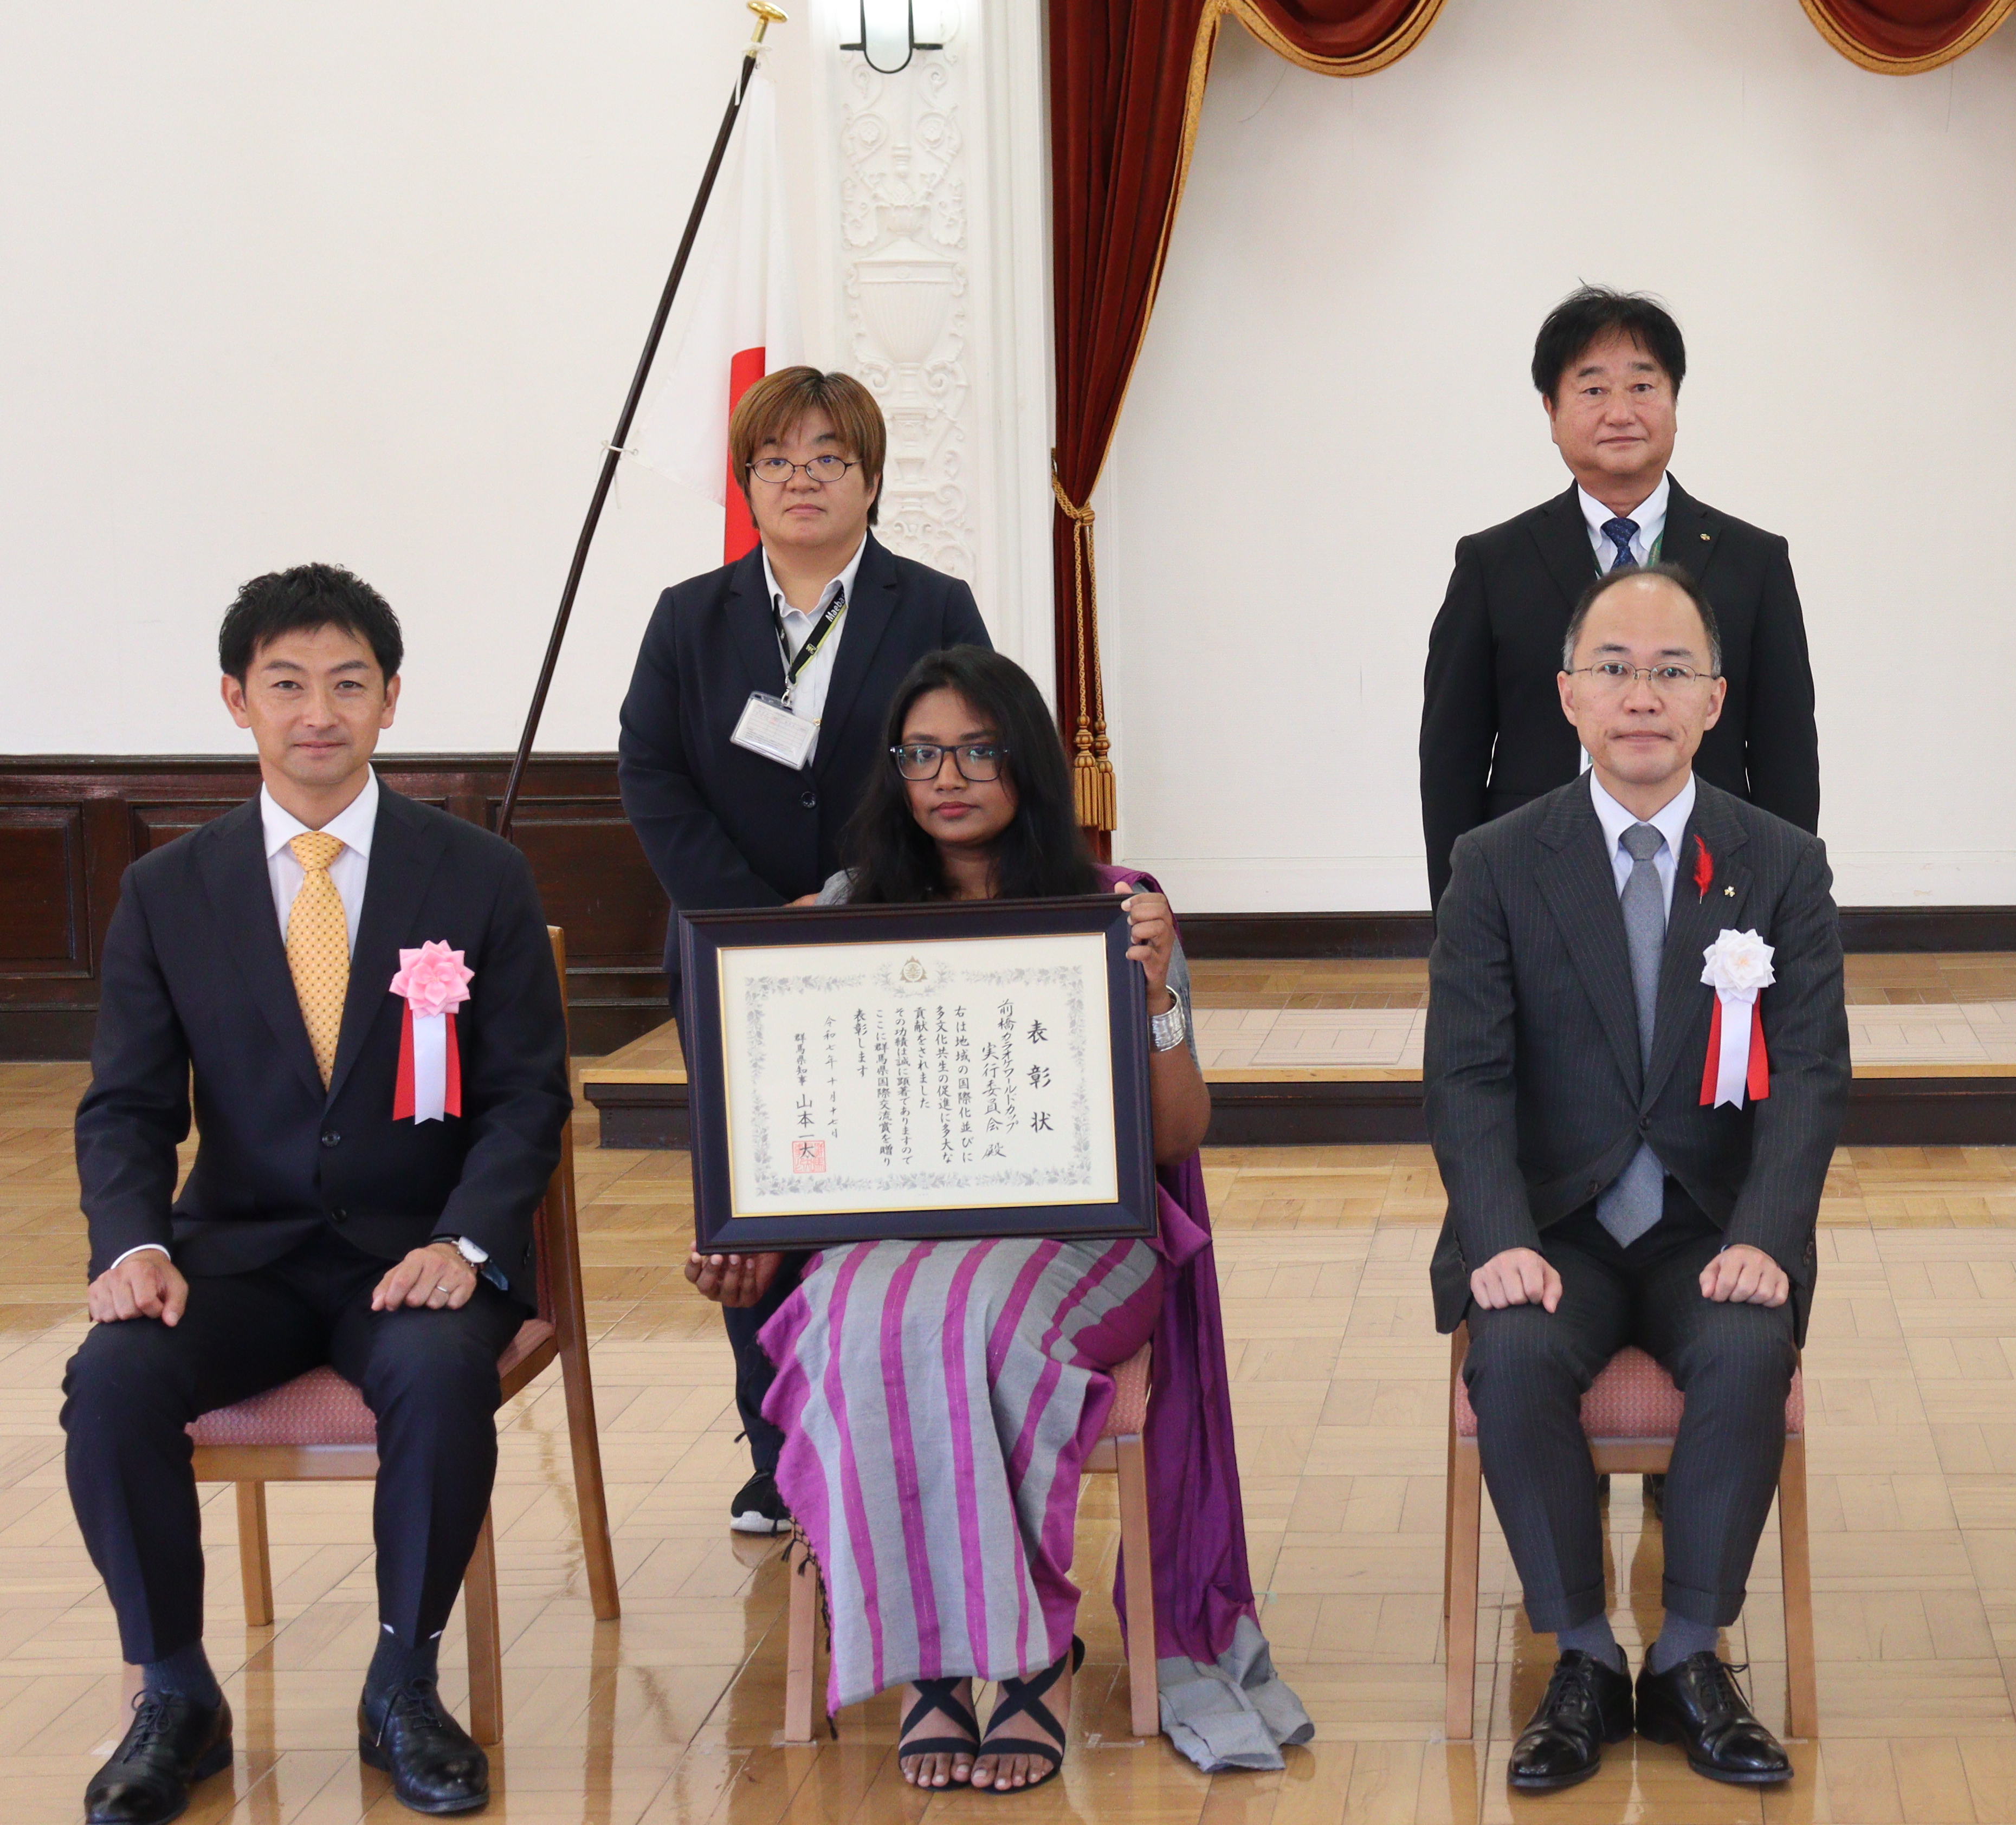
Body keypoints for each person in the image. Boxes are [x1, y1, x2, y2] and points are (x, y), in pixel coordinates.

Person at [683, 645, 1308, 1790]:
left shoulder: (1118, 908)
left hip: (1081, 1240)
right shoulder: (840, 915)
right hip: (893, 1240)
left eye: (977, 747)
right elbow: (780, 1115)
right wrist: (747, 1224)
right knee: (867, 1323)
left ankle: (1024, 1658)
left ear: (1024, 756)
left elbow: (1175, 1137)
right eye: (921, 752)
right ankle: (937, 1664)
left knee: (975, 1318)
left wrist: (1161, 998)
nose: (948, 775)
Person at [67, 566, 572, 1822]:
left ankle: (404, 1683)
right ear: (237, 699)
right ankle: (174, 1694)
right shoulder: (165, 892)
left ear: (391, 700)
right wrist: (133, 1242)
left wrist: (467, 1238)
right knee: (113, 1378)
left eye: (349, 684)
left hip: (415, 1253)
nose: (318, 713)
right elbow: (126, 1103)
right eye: (286, 685)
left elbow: (527, 1098)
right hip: (235, 1256)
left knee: (438, 1373)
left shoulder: (478, 874)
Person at [1426, 565, 1848, 1793]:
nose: (1642, 694)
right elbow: (1465, 1075)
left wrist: (1770, 1230)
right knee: (1507, 1353)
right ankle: (1576, 1655)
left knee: (1747, 1348)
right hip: (1551, 1223)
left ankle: (1684, 1658)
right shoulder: (1498, 862)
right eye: (1614, 667)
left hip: (1710, 1224)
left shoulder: (1778, 862)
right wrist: (1498, 1231)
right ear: (1567, 695)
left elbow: (1813, 1073)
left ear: (1715, 700)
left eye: (1672, 671)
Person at [617, 366, 992, 1535]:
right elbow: (653, 775)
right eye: (778, 459)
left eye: (830, 456)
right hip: (733, 947)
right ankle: (776, 1443)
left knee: (895, 1171)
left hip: (896, 933)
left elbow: (975, 761)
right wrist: (748, 915)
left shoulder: (933, 605)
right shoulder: (692, 615)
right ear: (749, 484)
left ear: (871, 479)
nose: (803, 478)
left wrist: (857, 900)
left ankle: (906, 1426)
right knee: (756, 1184)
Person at [1418, 285, 1820, 904]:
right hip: (1536, 881)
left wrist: (1784, 909)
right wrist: (1460, 918)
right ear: (1552, 412)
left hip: (1713, 880)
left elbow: (1786, 759)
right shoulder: (1492, 564)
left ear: (1675, 404)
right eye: (1593, 389)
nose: (1620, 411)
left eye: (1642, 385)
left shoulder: (1755, 561)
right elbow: (1451, 763)